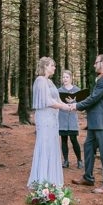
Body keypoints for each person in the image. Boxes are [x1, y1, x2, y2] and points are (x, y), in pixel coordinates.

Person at [69, 54, 103, 194]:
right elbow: (94, 98)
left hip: (102, 122)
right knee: (88, 147)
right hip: (96, 122)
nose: (94, 65)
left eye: (96, 62)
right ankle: (88, 177)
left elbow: (94, 98)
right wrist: (77, 103)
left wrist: (76, 106)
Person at [27, 57, 73, 188]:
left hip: (53, 118)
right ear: (45, 66)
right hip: (44, 117)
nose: (54, 68)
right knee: (44, 144)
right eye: (52, 65)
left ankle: (51, 178)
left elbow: (57, 99)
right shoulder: (40, 80)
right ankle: (41, 179)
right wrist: (64, 107)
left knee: (52, 144)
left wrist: (71, 106)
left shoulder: (50, 82)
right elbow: (48, 102)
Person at [57, 70, 82, 169]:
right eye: (63, 77)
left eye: (67, 77)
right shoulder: (59, 90)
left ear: (71, 78)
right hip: (62, 117)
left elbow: (81, 103)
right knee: (63, 140)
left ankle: (79, 160)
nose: (65, 79)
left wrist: (74, 103)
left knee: (73, 139)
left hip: (72, 118)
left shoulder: (77, 90)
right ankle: (66, 161)